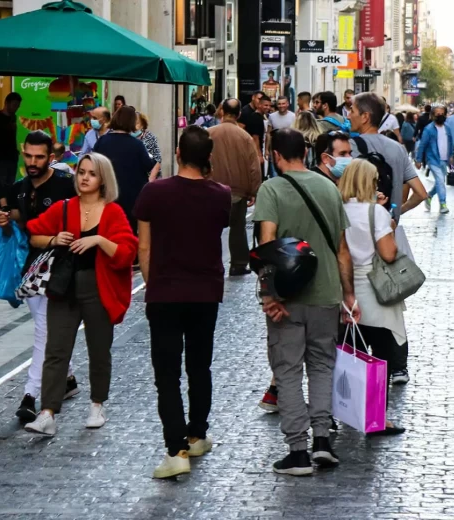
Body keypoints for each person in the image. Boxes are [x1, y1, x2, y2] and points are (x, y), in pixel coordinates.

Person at [253, 128, 356, 476]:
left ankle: (298, 451)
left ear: (276, 155)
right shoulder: (328, 187)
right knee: (323, 365)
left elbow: (267, 244)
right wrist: (348, 294)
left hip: (288, 297)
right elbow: (342, 249)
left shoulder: (272, 189)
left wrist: (270, 295)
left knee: (288, 370)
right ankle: (323, 441)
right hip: (326, 293)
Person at [136, 126, 232, 479]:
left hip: (165, 291)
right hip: (205, 292)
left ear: (177, 153)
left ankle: (176, 448)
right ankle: (197, 434)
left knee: (167, 374)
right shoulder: (220, 194)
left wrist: (154, 282)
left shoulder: (153, 193)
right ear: (208, 158)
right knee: (199, 367)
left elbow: (143, 246)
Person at [23, 152, 139, 436]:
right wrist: (54, 239)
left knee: (99, 349)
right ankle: (47, 412)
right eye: (81, 172)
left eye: (91, 173)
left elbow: (126, 253)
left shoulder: (113, 212)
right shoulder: (64, 208)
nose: (84, 178)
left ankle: (97, 405)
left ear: (103, 180)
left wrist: (99, 239)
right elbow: (33, 234)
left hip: (99, 288)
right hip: (64, 288)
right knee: (56, 350)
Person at [0, 131, 80, 424]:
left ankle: (31, 395)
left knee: (44, 333)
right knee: (47, 330)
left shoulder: (66, 186)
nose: (32, 162)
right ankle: (67, 378)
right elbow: (20, 223)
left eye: (39, 157)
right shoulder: (20, 188)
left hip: (59, 272)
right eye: (28, 156)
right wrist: (6, 220)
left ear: (51, 158)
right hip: (31, 273)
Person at [338, 158, 408, 436]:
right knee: (381, 356)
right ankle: (376, 416)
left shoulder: (338, 209)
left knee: (349, 354)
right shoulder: (376, 213)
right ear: (369, 183)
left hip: (345, 292)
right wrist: (387, 222)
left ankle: (346, 409)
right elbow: (389, 253)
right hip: (375, 294)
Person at [348, 92, 429, 227]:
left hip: (360, 227)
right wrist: (398, 212)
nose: (348, 115)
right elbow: (421, 194)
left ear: (365, 117)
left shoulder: (351, 147)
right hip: (388, 226)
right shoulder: (398, 148)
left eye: (352, 111)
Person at [209, 98, 262, 277]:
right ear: (239, 113)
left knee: (211, 227)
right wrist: (254, 190)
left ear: (222, 112)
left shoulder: (209, 133)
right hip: (237, 190)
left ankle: (210, 262)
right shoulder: (244, 137)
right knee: (238, 227)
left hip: (212, 188)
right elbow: (254, 166)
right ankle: (238, 263)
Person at [92, 105, 158, 235]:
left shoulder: (102, 141)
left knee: (108, 232)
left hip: (107, 196)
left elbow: (94, 164)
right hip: (131, 198)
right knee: (128, 233)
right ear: (131, 122)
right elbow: (148, 165)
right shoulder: (137, 145)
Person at [416, 105, 454, 214]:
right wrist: (418, 159)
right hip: (433, 159)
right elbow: (422, 145)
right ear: (433, 115)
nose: (440, 116)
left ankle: (429, 196)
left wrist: (451, 156)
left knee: (440, 181)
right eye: (437, 114)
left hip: (444, 160)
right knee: (440, 181)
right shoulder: (428, 129)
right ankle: (443, 204)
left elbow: (450, 143)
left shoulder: (447, 128)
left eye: (442, 114)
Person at [136, 112, 162, 180]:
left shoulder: (149, 137)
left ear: (142, 125)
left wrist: (150, 180)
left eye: (137, 123)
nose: (134, 126)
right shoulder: (128, 138)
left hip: (150, 177)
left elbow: (158, 159)